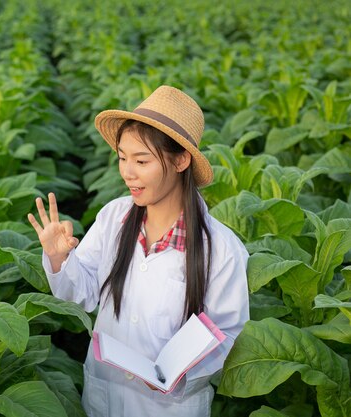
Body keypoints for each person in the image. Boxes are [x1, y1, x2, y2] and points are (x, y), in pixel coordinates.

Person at [27, 85, 249, 417]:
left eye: (141, 160)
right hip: (104, 395)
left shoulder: (222, 249)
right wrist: (59, 258)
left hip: (170, 406)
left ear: (180, 161)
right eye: (122, 158)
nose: (128, 172)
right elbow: (82, 294)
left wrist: (177, 376)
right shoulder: (112, 218)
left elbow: (228, 332)